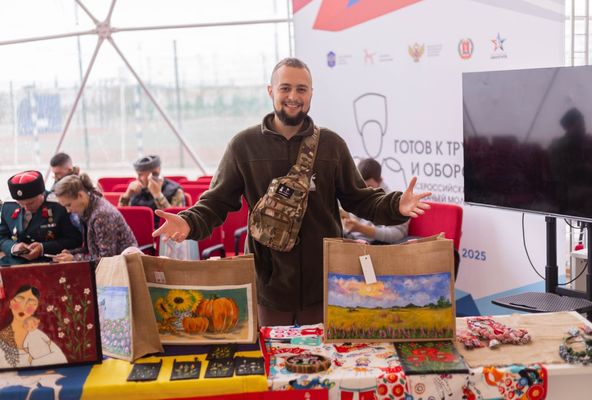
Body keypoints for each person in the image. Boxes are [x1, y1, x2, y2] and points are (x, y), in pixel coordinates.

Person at [153, 58, 431, 326]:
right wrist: (189, 222)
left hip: (323, 282)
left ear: (311, 94)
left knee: (325, 355)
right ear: (270, 91)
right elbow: (217, 202)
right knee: (272, 353)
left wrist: (396, 205)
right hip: (269, 284)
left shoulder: (332, 145)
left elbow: (359, 198)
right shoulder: (243, 146)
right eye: (285, 88)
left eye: (301, 89)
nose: (293, 96)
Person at [0, 171, 82, 266]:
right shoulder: (8, 206)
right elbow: (2, 237)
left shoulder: (59, 205)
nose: (26, 208)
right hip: (15, 263)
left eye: (31, 203)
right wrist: (13, 247)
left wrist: (43, 248)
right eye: (21, 204)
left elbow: (74, 239)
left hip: (50, 262)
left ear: (42, 194)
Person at [52, 174, 138, 263]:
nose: (68, 210)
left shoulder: (102, 216)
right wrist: (72, 253)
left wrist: (74, 258)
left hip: (124, 265)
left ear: (80, 195)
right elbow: (91, 249)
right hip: (114, 264)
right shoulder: (88, 207)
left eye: (69, 205)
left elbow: (106, 259)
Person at [342, 158, 410, 244]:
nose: (365, 190)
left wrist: (360, 228)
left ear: (380, 180)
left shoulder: (394, 201)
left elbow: (397, 233)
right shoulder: (355, 192)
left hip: (373, 244)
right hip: (353, 239)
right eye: (361, 186)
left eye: (369, 186)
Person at [0, 285, 67, 368]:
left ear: (35, 309)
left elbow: (61, 361)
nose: (24, 306)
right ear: (11, 303)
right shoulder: (2, 338)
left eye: (31, 303)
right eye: (20, 299)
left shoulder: (38, 336)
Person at [118, 154, 185, 227]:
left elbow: (176, 223)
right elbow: (120, 219)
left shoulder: (175, 191)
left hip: (163, 232)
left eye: (141, 175)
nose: (138, 179)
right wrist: (127, 195)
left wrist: (158, 195)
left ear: (154, 174)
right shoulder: (136, 190)